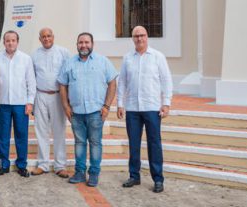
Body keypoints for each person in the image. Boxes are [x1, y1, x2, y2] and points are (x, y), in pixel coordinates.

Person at [117, 25, 173, 193]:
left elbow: (166, 80)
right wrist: (120, 103)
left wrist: (166, 103)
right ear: (132, 39)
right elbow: (122, 82)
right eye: (136, 36)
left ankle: (158, 179)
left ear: (147, 37)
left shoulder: (157, 57)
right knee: (133, 144)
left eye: (142, 35)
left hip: (152, 107)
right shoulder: (128, 58)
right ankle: (134, 176)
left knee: (154, 143)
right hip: (133, 108)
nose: (139, 38)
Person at [58, 32, 117, 187]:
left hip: (96, 112)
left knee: (96, 143)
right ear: (77, 44)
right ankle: (79, 173)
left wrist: (107, 106)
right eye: (80, 42)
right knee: (79, 143)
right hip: (76, 113)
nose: (83, 45)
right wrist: (65, 106)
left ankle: (94, 174)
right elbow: (62, 85)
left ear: (92, 44)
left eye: (86, 42)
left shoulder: (102, 61)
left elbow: (112, 83)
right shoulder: (69, 63)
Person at [0, 30, 36, 177]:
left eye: (13, 40)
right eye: (8, 40)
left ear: (17, 42)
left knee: (21, 135)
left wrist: (30, 102)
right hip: (2, 103)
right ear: (4, 42)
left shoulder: (26, 59)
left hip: (21, 103)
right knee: (3, 135)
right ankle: (4, 164)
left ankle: (21, 165)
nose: (10, 43)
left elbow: (31, 82)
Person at [30, 27, 70, 178]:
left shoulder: (64, 52)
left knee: (59, 130)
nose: (46, 39)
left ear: (53, 37)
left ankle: (60, 165)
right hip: (40, 95)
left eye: (49, 36)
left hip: (58, 96)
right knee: (41, 131)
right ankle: (42, 164)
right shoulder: (34, 55)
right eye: (43, 37)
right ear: (40, 39)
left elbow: (68, 76)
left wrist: (68, 100)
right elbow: (31, 77)